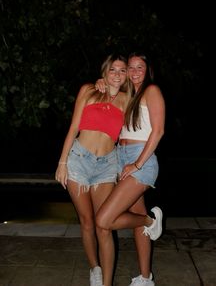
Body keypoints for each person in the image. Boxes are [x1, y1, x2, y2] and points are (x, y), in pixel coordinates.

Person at [55, 53, 129, 286]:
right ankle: (94, 268)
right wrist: (62, 162)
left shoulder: (128, 100)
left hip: (107, 165)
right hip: (78, 160)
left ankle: (106, 283)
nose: (117, 74)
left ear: (126, 75)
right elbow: (74, 126)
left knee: (103, 225)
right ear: (105, 72)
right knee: (86, 222)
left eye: (122, 70)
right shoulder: (88, 90)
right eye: (113, 70)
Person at [95, 52, 165, 286]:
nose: (134, 71)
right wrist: (101, 82)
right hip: (121, 157)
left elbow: (157, 132)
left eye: (140, 67)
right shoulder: (128, 96)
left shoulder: (151, 91)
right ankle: (146, 278)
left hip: (140, 160)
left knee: (104, 220)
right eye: (130, 68)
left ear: (148, 71)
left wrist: (137, 164)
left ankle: (149, 221)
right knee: (134, 218)